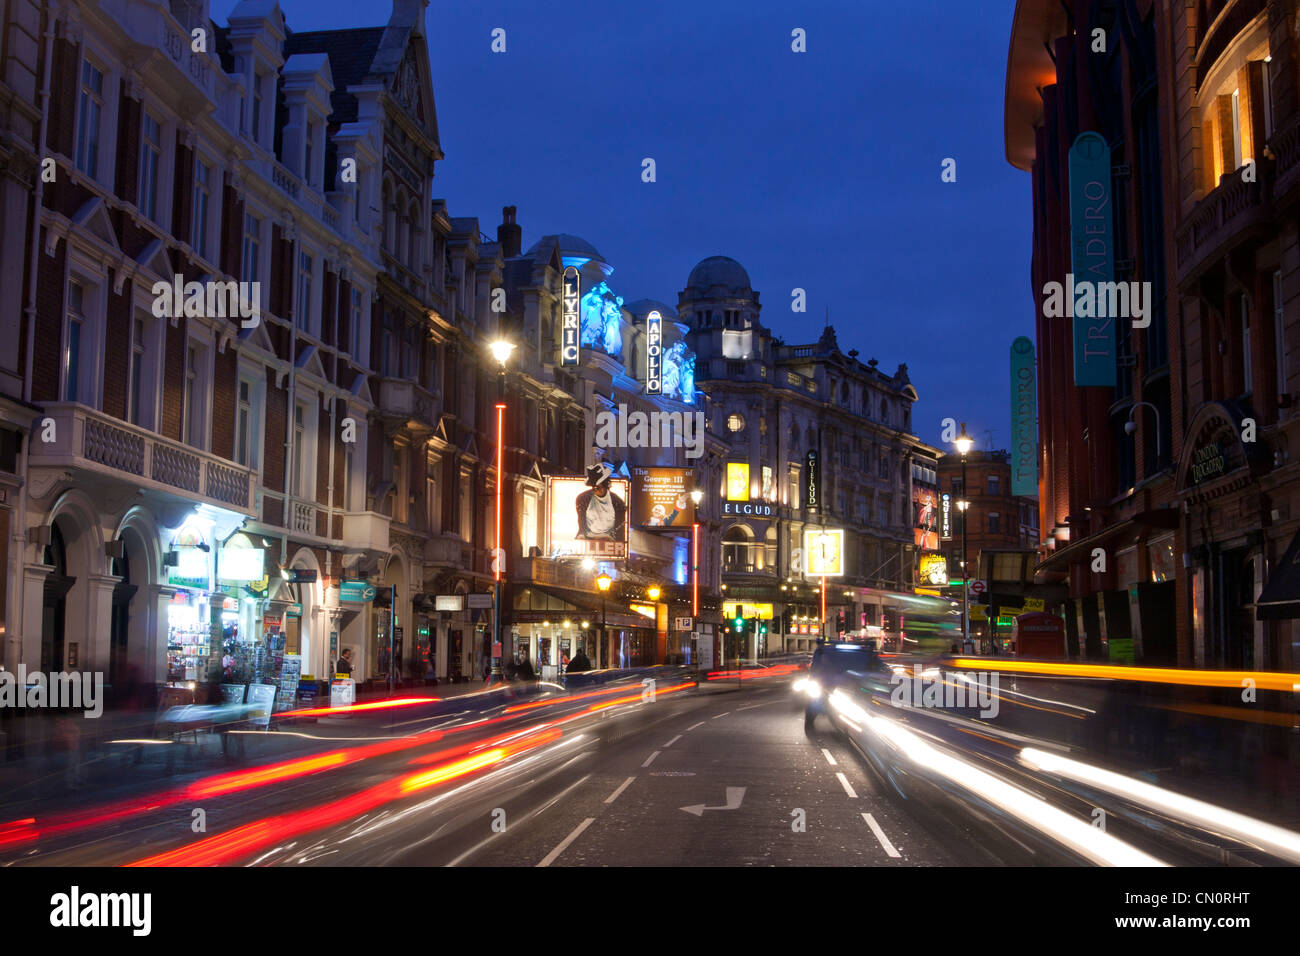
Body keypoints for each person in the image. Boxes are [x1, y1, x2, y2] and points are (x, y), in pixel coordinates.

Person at [574, 463, 627, 540]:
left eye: (600, 487)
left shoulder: (618, 503)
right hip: (588, 539)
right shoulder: (582, 499)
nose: (598, 490)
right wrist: (582, 535)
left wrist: (613, 538)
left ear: (606, 486)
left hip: (609, 540)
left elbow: (620, 526)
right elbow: (581, 520)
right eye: (594, 487)